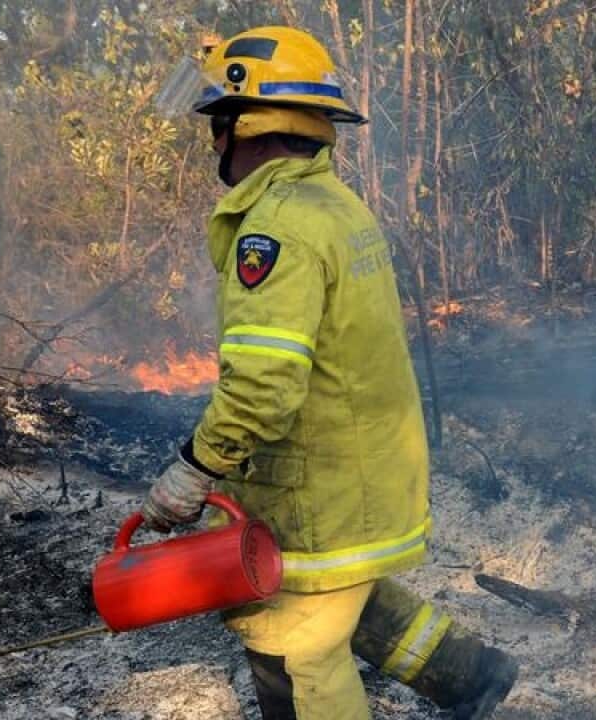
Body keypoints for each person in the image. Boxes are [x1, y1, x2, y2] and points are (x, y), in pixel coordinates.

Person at [137, 26, 518, 720]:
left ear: (243, 124)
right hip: (368, 476)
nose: (213, 142)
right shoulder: (335, 208)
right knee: (347, 595)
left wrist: (193, 469)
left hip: (321, 489)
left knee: (290, 642)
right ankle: (471, 676)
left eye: (218, 123)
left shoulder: (275, 227)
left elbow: (261, 387)